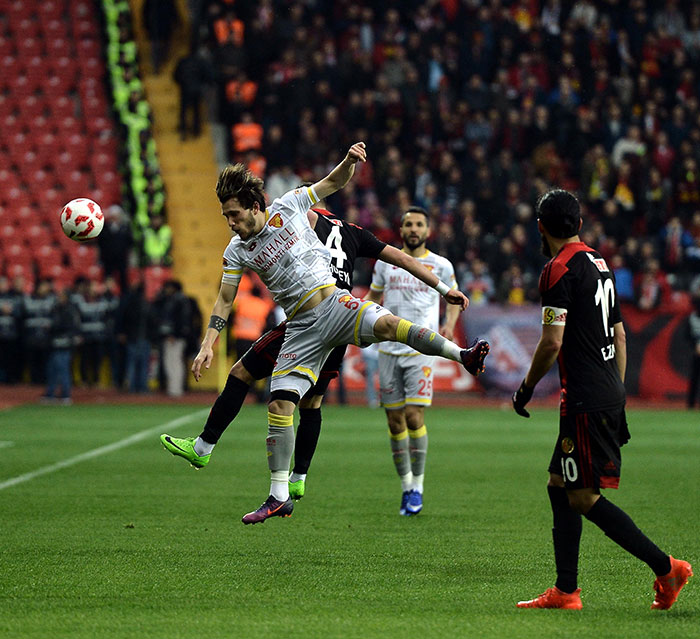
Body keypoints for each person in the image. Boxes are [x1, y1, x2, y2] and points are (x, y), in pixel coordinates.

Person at [160, 142, 489, 525]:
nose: (230, 223)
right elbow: (223, 301)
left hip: (334, 305)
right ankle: (278, 495)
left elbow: (334, 181)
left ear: (254, 206)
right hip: (299, 328)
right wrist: (207, 345)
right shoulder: (236, 251)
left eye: (234, 215)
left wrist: (349, 161)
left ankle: (463, 354)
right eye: (225, 217)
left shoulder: (290, 205)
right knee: (280, 404)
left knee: (388, 325)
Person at [512, 189, 692, 611]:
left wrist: (523, 388)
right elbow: (620, 332)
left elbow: (551, 342)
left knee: (582, 497)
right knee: (559, 483)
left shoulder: (556, 270)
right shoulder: (599, 263)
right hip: (607, 386)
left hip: (585, 398)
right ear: (577, 224)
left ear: (540, 226)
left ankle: (667, 567)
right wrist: (618, 388)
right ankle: (566, 590)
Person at [366, 206, 466, 516]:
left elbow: (453, 296)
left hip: (421, 352)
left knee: (413, 417)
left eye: (419, 224)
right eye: (408, 223)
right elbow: (373, 297)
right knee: (394, 421)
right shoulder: (387, 263)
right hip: (388, 350)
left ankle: (418, 487)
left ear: (427, 230)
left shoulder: (441, 265)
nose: (413, 228)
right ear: (401, 229)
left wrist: (448, 325)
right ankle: (406, 485)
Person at [687, 293, 700, 409]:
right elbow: (687, 335)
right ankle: (690, 403)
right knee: (694, 377)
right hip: (696, 352)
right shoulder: (692, 317)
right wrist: (694, 345)